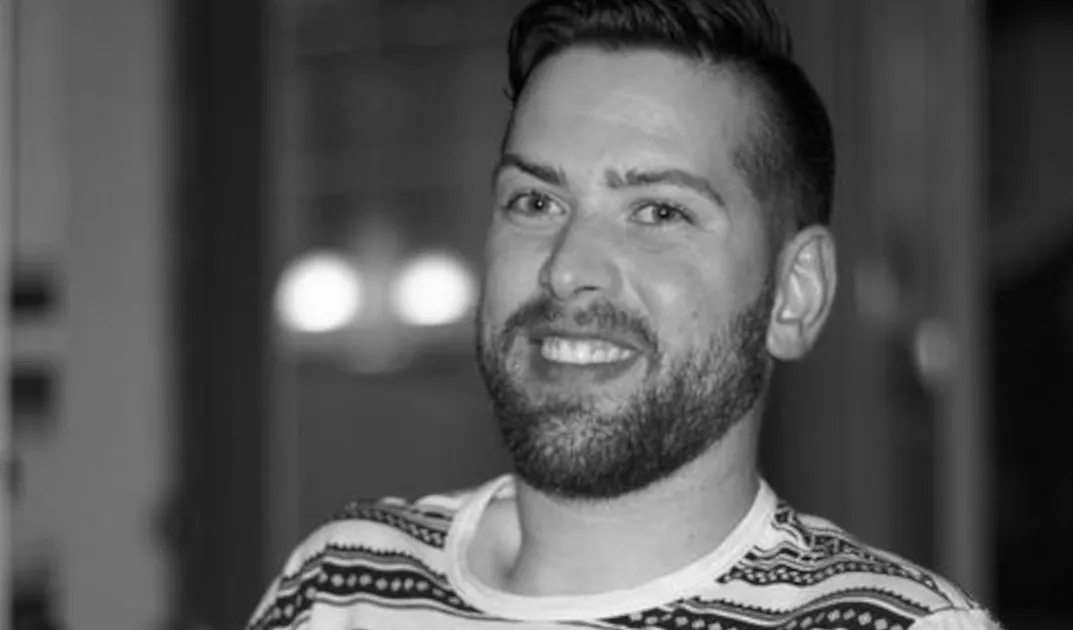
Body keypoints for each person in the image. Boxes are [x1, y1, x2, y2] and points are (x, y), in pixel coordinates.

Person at [247, 0, 1002, 628]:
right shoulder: (342, 584)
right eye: (535, 201)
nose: (568, 265)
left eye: (658, 211)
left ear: (794, 293)